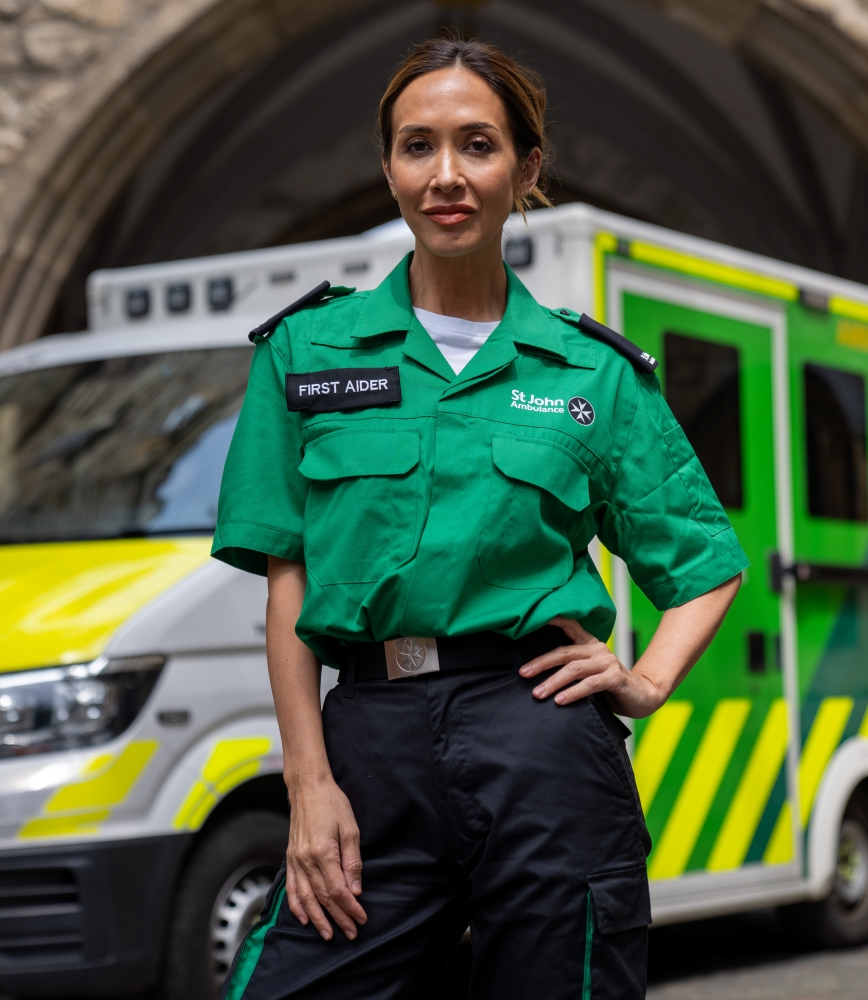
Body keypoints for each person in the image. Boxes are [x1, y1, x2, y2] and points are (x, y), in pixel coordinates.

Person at [210, 34, 746, 1000]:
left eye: (477, 145)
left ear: (526, 169)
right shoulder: (307, 350)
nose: (446, 175)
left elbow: (706, 564)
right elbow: (286, 578)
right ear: (388, 168)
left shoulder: (592, 374)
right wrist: (307, 782)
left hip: (541, 739)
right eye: (418, 147)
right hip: (366, 743)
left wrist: (646, 680)